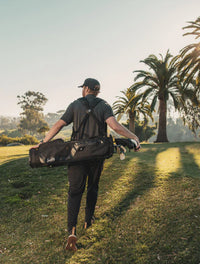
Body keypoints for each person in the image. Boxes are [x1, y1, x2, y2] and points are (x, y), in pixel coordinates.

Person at [32, 78, 141, 251]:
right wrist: (133, 137)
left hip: (77, 154)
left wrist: (43, 143)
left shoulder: (75, 105)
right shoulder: (104, 105)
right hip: (96, 154)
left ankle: (71, 230)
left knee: (75, 191)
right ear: (97, 91)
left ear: (86, 88)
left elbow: (59, 125)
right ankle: (88, 221)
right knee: (93, 187)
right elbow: (114, 126)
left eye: (83, 87)